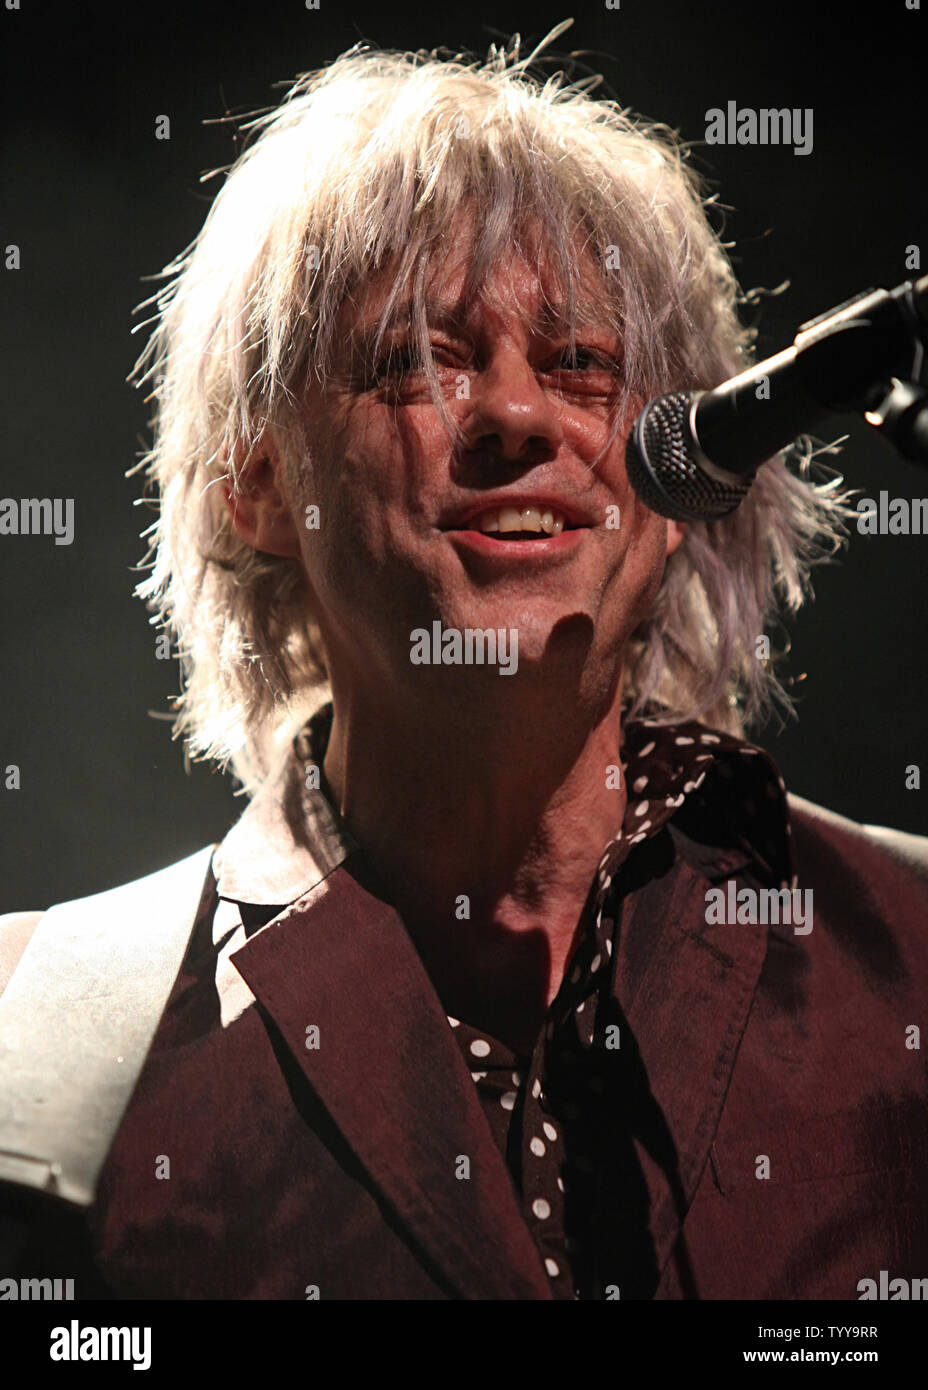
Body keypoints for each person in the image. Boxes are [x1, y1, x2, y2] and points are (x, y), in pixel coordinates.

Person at [2, 26, 926, 1302]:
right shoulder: (37, 1030)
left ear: (688, 480)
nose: (516, 414)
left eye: (581, 363)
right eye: (416, 361)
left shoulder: (909, 947)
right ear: (256, 484)